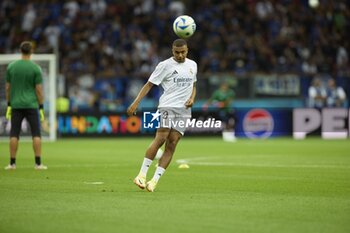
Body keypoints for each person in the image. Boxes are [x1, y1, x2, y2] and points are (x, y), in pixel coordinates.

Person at [127, 39, 197, 192]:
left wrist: (192, 98)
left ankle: (154, 181)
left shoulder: (193, 65)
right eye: (177, 52)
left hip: (184, 111)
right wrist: (136, 102)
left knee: (172, 144)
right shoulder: (164, 65)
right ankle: (141, 175)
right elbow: (149, 84)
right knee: (161, 138)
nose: (180, 55)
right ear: (172, 51)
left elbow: (193, 85)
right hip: (168, 106)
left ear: (187, 50)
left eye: (183, 52)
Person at [5, 41, 47, 170]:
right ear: (31, 51)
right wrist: (41, 107)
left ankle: (12, 163)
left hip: (16, 104)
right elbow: (39, 90)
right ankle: (38, 163)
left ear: (20, 50)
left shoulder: (11, 67)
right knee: (36, 134)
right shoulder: (35, 68)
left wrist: (9, 104)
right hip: (31, 104)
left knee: (14, 134)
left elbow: (7, 88)